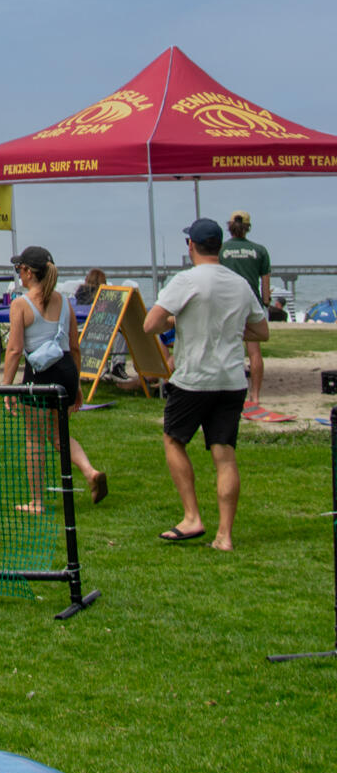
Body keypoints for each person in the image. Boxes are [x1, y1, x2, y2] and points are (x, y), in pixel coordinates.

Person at [144, 217, 270, 551]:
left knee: (173, 440)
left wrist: (178, 317)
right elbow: (261, 332)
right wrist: (225, 327)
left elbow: (150, 324)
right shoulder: (240, 284)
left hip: (193, 379)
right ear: (221, 247)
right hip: (230, 380)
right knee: (224, 455)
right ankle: (224, 536)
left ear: (191, 246)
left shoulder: (186, 280)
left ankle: (192, 517)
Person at [2, 245, 107, 511]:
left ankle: (37, 501)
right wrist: (78, 384)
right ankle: (89, 471)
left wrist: (6, 388)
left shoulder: (21, 305)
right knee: (58, 435)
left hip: (39, 374)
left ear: (27, 272)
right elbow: (75, 346)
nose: (19, 274)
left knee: (34, 438)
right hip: (66, 371)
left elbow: (14, 350)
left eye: (19, 269)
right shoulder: (63, 302)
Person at [219, 209, 271, 409]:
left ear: (229, 227)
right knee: (254, 351)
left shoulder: (222, 250)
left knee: (225, 349)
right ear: (248, 228)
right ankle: (255, 395)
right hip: (251, 304)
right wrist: (265, 303)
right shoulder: (260, 250)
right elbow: (265, 283)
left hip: (227, 304)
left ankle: (227, 392)